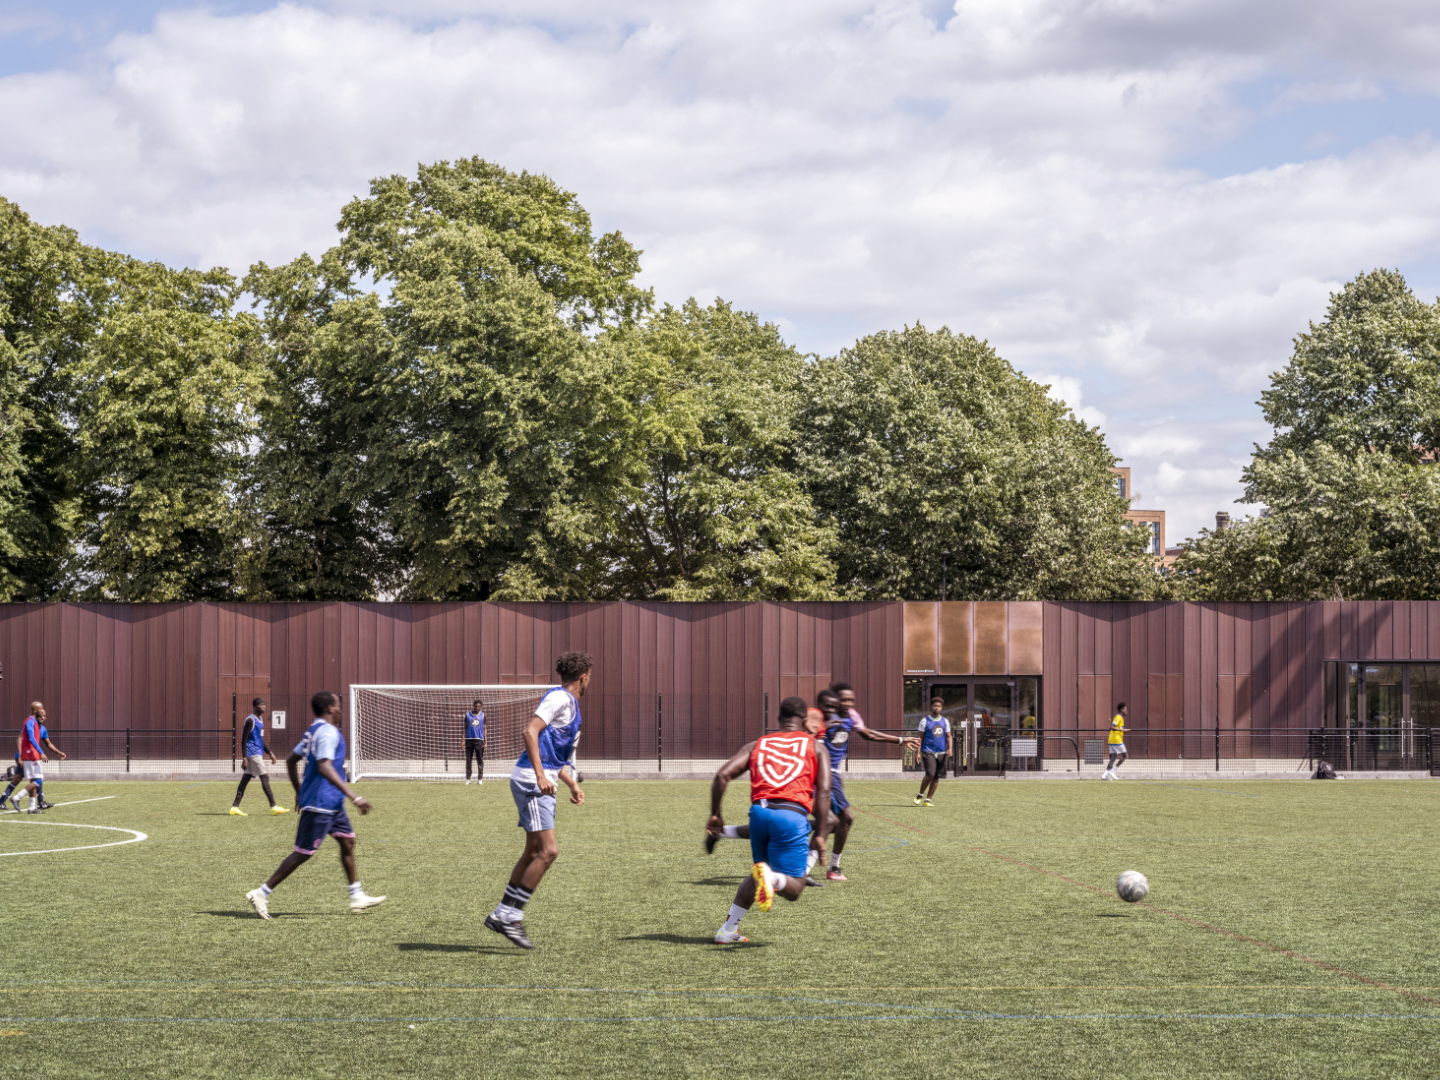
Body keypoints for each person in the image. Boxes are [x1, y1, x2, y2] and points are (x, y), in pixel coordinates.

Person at [244, 691, 385, 919]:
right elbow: (324, 766)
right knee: (303, 853)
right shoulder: (328, 732)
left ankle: (356, 894)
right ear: (330, 708)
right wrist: (354, 796)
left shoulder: (313, 731)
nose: (340, 709)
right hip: (321, 802)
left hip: (331, 802)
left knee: (347, 841)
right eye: (338, 706)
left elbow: (291, 760)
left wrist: (299, 792)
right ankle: (261, 893)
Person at [484, 652, 590, 949]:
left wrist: (569, 783)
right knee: (549, 851)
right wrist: (542, 776)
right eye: (589, 676)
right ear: (583, 677)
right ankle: (511, 917)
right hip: (533, 782)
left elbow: (553, 753)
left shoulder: (568, 703)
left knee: (533, 850)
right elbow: (529, 730)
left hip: (537, 779)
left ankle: (502, 913)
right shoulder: (560, 699)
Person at [706, 695, 832, 944]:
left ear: (779, 718)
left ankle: (727, 930)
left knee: (757, 875)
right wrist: (820, 835)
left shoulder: (759, 744)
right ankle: (773, 878)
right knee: (794, 888)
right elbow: (825, 791)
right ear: (805, 720)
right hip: (790, 816)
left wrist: (715, 814)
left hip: (759, 814)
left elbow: (722, 775)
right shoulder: (815, 746)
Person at [816, 682, 917, 880]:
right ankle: (829, 868)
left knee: (832, 822)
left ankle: (821, 866)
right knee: (845, 818)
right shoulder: (823, 717)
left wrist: (900, 740)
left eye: (851, 700)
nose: (848, 703)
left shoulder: (852, 716)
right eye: (844, 699)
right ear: (834, 700)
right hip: (823, 773)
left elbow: (868, 734)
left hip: (833, 774)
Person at [230, 698, 288, 816]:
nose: (264, 707)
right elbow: (244, 739)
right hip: (253, 754)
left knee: (245, 780)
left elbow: (260, 739)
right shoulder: (250, 720)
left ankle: (234, 808)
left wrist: (269, 752)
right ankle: (273, 807)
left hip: (257, 752)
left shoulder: (260, 720)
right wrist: (244, 758)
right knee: (265, 777)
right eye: (262, 705)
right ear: (255, 706)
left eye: (264, 705)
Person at [16, 702, 64, 813]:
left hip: (34, 756)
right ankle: (16, 798)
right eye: (40, 709)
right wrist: (20, 755)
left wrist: (58, 752)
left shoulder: (41, 728)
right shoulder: (29, 723)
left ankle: (35, 805)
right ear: (34, 711)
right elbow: (23, 739)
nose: (42, 712)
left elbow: (48, 743)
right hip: (28, 756)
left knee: (36, 779)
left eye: (44, 711)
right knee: (29, 779)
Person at [912, 697, 951, 806]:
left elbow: (948, 736)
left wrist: (950, 748)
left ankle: (928, 800)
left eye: (939, 706)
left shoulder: (945, 721)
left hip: (942, 753)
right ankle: (920, 795)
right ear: (931, 707)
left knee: (936, 776)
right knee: (930, 773)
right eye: (935, 706)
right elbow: (920, 738)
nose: (937, 708)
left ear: (941, 708)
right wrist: (918, 752)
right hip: (928, 751)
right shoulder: (925, 721)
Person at [1103, 702, 1128, 780]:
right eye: (1125, 709)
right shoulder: (1118, 717)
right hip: (1116, 739)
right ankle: (1113, 770)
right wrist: (1124, 730)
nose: (1126, 711)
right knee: (1125, 755)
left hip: (1112, 739)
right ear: (1122, 710)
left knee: (1113, 757)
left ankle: (1104, 775)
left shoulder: (1120, 717)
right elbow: (1112, 727)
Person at [464, 699, 485, 785]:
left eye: (479, 706)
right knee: (468, 760)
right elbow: (464, 728)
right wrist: (463, 740)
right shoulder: (468, 715)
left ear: (481, 707)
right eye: (476, 706)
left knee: (479, 760)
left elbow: (485, 729)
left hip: (479, 740)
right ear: (473, 706)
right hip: (469, 739)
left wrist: (485, 742)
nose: (477, 708)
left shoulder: (483, 715)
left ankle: (480, 779)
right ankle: (468, 779)